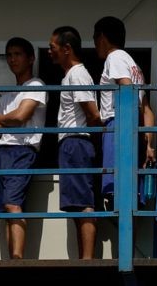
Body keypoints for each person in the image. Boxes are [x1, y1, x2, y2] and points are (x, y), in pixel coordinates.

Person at [0, 37, 46, 260]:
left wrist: (1, 119)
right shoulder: (7, 95)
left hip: (22, 150)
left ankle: (17, 258)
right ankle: (9, 260)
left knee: (13, 204)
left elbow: (22, 115)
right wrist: (5, 120)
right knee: (4, 210)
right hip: (3, 152)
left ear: (31, 58)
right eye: (9, 55)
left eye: (17, 54)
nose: (12, 59)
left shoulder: (36, 85)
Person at [93, 17, 156, 208]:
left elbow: (126, 90)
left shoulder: (115, 58)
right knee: (130, 197)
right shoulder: (133, 64)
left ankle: (127, 238)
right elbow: (146, 109)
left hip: (118, 127)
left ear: (102, 37)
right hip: (134, 129)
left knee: (117, 195)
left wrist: (125, 131)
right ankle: (131, 239)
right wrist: (149, 144)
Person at [49, 26, 101, 259]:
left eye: (53, 48)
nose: (50, 52)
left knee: (83, 203)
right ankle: (84, 257)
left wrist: (98, 136)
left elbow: (92, 114)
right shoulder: (71, 75)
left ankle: (87, 259)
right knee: (77, 204)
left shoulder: (78, 74)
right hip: (71, 143)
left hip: (77, 142)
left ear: (67, 49)